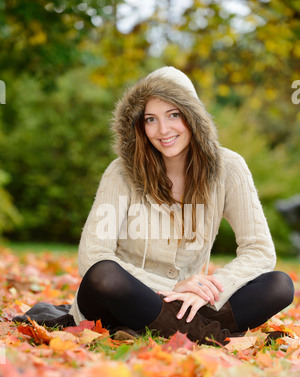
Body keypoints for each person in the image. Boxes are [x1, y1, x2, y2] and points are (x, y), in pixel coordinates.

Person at [68, 66, 294, 345]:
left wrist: (204, 291)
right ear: (139, 125)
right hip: (125, 297)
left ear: (193, 117)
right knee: (104, 275)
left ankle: (167, 329)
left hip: (190, 303)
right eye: (151, 119)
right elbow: (92, 255)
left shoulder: (229, 168)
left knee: (279, 285)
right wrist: (172, 286)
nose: (163, 130)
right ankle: (215, 337)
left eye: (173, 115)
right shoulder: (121, 172)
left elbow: (259, 250)